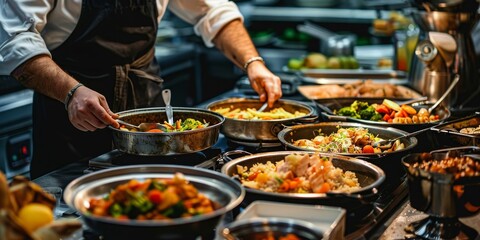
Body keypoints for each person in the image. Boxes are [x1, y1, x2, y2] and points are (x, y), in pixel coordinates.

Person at [0, 0, 282, 178]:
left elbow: (213, 10)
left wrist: (253, 62)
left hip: (148, 101)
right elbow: (14, 39)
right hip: (71, 111)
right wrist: (71, 92)